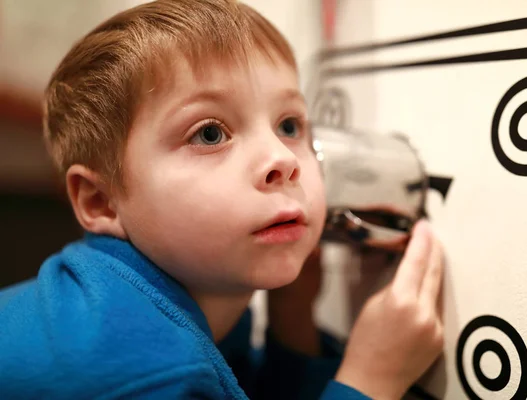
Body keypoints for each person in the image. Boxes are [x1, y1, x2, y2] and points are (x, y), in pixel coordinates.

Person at [0, 0, 445, 399]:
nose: (282, 159)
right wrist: (371, 379)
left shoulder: (192, 291)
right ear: (102, 202)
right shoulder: (143, 365)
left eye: (289, 125)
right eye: (210, 133)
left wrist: (293, 328)